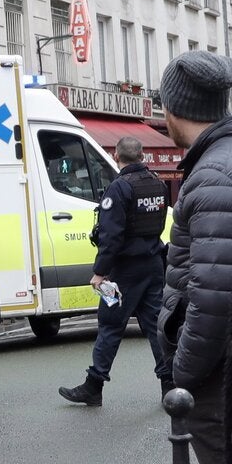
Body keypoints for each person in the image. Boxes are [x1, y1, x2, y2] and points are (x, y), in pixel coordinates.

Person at [156, 50, 232, 464]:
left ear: (172, 106)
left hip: (220, 382)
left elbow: (212, 297)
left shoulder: (210, 176)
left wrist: (182, 375)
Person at [59, 137, 172, 406]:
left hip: (126, 271)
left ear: (116, 155)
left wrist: (100, 272)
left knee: (110, 325)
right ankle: (169, 385)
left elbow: (111, 237)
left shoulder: (119, 188)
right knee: (156, 326)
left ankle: (94, 385)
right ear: (142, 155)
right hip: (154, 264)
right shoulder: (158, 184)